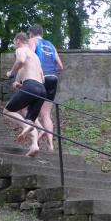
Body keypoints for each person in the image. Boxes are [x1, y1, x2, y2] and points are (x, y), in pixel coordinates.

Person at [4, 32, 47, 157]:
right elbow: (42, 78)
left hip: (31, 86)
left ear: (18, 41)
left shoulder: (21, 50)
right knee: (29, 119)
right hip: (41, 90)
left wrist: (11, 72)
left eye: (14, 43)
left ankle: (26, 126)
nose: (15, 46)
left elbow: (21, 60)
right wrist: (21, 85)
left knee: (7, 111)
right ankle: (34, 146)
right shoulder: (35, 57)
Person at [26, 24, 63, 152]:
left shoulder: (32, 41)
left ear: (31, 33)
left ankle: (39, 130)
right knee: (46, 114)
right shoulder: (51, 45)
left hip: (40, 77)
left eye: (29, 34)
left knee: (26, 108)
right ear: (41, 33)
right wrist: (52, 71)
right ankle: (51, 145)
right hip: (53, 78)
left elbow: (30, 56)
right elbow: (60, 66)